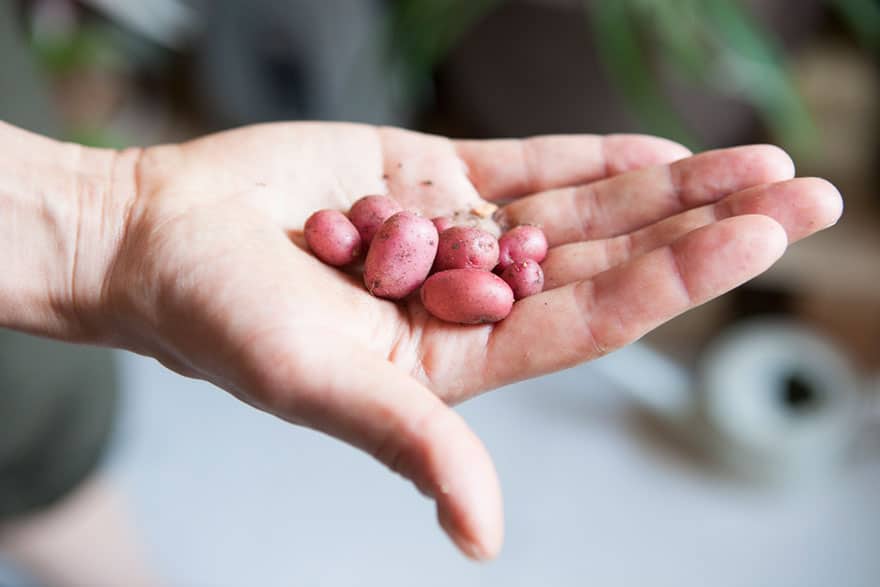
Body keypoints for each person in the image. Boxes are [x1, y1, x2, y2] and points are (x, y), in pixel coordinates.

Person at [0, 120, 842, 569]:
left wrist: (106, 211)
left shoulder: (461, 252)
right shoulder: (410, 253)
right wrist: (111, 221)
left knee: (46, 434)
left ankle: (86, 539)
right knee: (24, 415)